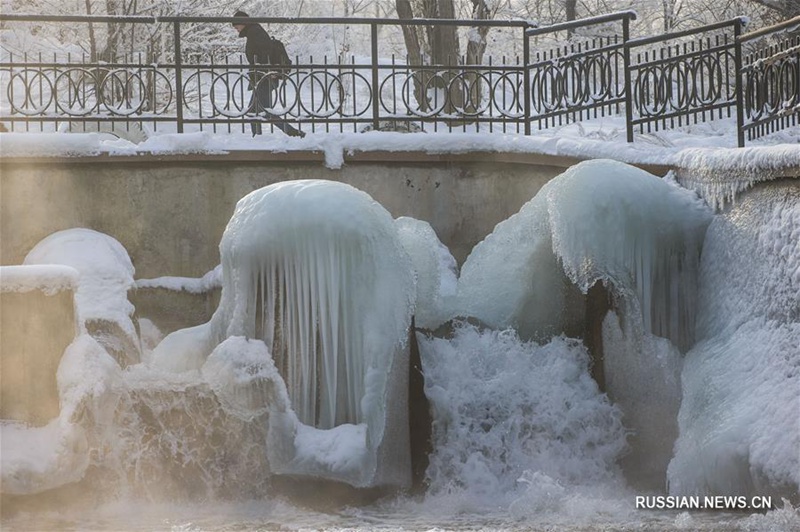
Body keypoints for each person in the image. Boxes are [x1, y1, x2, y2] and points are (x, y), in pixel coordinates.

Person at [232, 10, 305, 138]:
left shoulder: (255, 31)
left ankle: (292, 133)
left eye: (236, 25)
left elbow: (266, 51)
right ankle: (259, 137)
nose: (235, 28)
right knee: (254, 111)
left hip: (265, 77)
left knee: (263, 110)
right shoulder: (253, 31)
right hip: (262, 76)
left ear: (242, 23)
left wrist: (267, 71)